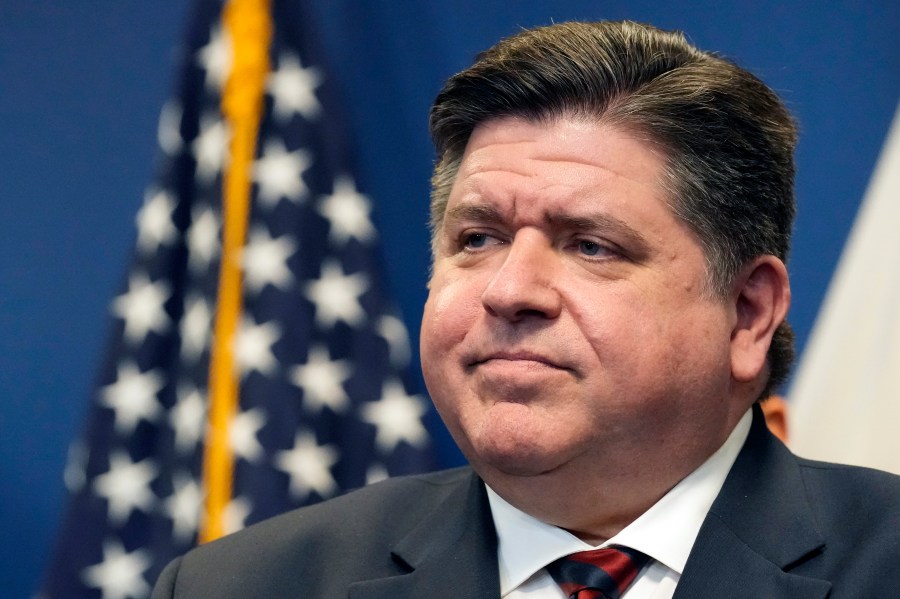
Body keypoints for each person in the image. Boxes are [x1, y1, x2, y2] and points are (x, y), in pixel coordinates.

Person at [152, 20, 900, 598]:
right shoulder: (244, 585)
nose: (509, 290)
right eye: (478, 238)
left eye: (591, 246)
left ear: (746, 314)